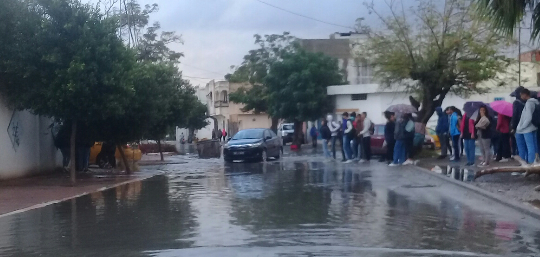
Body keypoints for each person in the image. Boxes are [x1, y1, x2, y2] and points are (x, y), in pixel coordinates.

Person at [516, 89, 539, 165]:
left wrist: (521, 127)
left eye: (521, 94)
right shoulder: (535, 102)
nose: (520, 96)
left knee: (529, 147)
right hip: (533, 127)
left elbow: (528, 117)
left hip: (527, 129)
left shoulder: (529, 103)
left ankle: (529, 163)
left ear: (525, 94)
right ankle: (533, 162)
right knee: (533, 146)